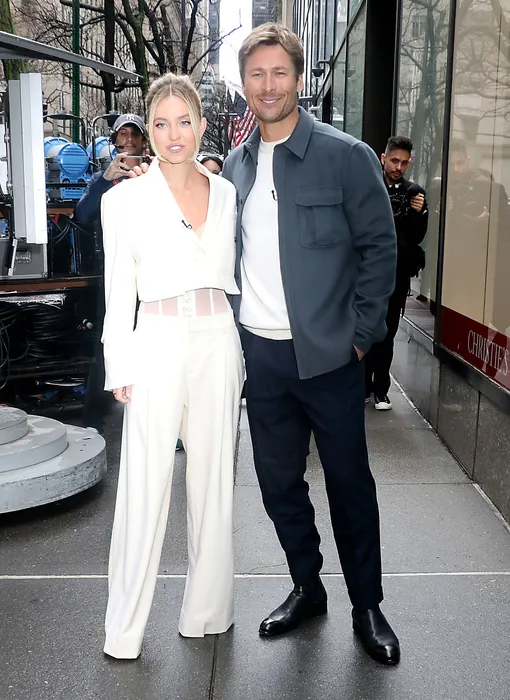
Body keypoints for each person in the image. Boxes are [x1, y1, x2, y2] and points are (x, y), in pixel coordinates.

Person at [222, 23, 400, 665]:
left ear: (299, 79)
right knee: (277, 484)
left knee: (349, 485)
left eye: (279, 73)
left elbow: (380, 248)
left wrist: (360, 337)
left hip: (329, 357)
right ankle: (307, 585)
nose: (268, 85)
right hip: (263, 358)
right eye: (257, 74)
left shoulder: (345, 156)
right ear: (244, 83)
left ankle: (367, 604)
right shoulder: (236, 166)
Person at [101, 73, 244, 659]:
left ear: (202, 126)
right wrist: (119, 364)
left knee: (213, 482)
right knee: (143, 483)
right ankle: (124, 629)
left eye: (184, 121)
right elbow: (118, 290)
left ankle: (206, 611)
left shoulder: (226, 193)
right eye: (161, 123)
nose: (173, 133)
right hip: (156, 338)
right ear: (149, 132)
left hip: (217, 338)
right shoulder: (123, 199)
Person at [75, 114, 148, 436]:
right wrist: (106, 179)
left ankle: (159, 417)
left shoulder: (155, 174)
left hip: (151, 270)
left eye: (135, 135)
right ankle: (95, 418)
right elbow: (83, 214)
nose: (129, 140)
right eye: (123, 134)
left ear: (144, 141)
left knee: (153, 339)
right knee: (108, 340)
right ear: (114, 140)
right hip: (114, 270)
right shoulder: (102, 178)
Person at [364, 136, 428, 410]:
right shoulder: (368, 186)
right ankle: (363, 386)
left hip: (396, 274)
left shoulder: (413, 194)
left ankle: (381, 390)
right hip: (366, 272)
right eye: (394, 161)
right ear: (383, 158)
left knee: (387, 332)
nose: (398, 167)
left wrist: (415, 213)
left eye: (403, 162)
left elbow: (417, 237)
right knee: (365, 328)